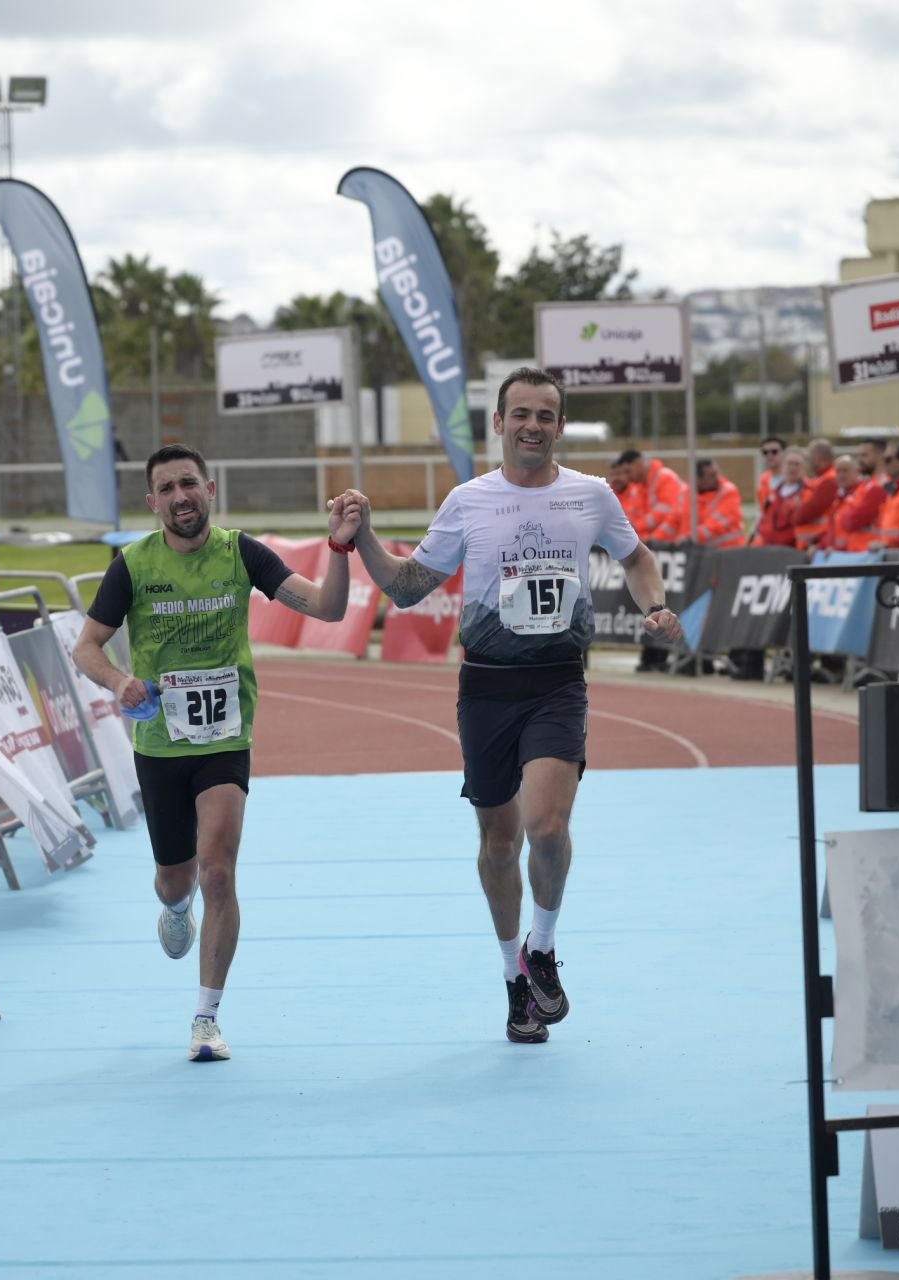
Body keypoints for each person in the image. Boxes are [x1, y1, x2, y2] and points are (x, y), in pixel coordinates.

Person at [337, 367, 682, 1046]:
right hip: (487, 687)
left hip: (558, 682)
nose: (532, 425)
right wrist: (365, 538)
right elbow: (407, 588)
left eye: (546, 415)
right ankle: (513, 980)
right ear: (498, 424)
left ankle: (544, 946)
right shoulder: (470, 500)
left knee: (547, 827)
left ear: (559, 426)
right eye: (519, 413)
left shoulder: (592, 494)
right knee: (500, 843)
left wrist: (658, 605)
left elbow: (637, 557)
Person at [70, 444, 362, 1063]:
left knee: (219, 870)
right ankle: (175, 909)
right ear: (153, 504)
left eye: (188, 484)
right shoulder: (133, 564)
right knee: (176, 879)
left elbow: (329, 608)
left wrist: (338, 548)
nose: (180, 497)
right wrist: (120, 681)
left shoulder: (241, 554)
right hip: (159, 742)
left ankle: (206, 1017)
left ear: (210, 488)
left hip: (224, 739)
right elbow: (87, 646)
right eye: (167, 489)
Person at [613, 448, 686, 542]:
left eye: (628, 471)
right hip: (658, 543)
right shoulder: (638, 487)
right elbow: (634, 513)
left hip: (673, 544)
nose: (628, 477)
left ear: (638, 464)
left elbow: (665, 512)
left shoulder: (665, 477)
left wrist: (637, 528)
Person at [677, 460, 747, 549]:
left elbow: (715, 525)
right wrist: (656, 542)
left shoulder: (728, 492)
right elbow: (674, 520)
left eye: (717, 473)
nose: (717, 478)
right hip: (698, 554)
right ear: (698, 479)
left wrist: (689, 538)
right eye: (712, 476)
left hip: (729, 552)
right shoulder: (686, 493)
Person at [826, 453, 884, 552]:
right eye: (838, 471)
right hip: (845, 553)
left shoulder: (866, 490)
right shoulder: (838, 499)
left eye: (845, 471)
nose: (841, 475)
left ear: (857, 472)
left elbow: (851, 522)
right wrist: (824, 546)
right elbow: (833, 531)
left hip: (865, 553)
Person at [792, 439, 839, 550]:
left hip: (818, 544)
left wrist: (795, 509)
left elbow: (802, 516)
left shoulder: (829, 480)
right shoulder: (821, 479)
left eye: (808, 457)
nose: (807, 462)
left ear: (818, 458)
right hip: (813, 543)